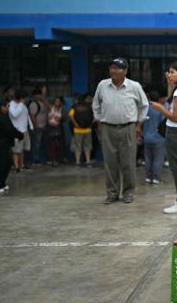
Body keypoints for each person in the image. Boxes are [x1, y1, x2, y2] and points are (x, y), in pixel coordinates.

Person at [92, 57, 149, 204]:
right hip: (107, 128)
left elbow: (144, 105)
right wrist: (98, 120)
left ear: (125, 71)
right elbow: (96, 104)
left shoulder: (134, 86)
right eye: (111, 67)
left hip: (128, 128)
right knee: (110, 163)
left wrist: (139, 124)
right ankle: (112, 193)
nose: (113, 70)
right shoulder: (103, 85)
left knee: (128, 163)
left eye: (117, 68)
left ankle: (128, 193)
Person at [150, 62, 177, 213]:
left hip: (176, 132)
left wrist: (159, 108)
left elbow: (175, 117)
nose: (169, 75)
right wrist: (169, 85)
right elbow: (172, 102)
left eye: (172, 72)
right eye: (168, 72)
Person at [0, 100, 23, 194]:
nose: (8, 109)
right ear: (1, 107)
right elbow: (10, 130)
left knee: (3, 165)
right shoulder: (1, 118)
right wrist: (20, 135)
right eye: (6, 107)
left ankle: (0, 184)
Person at [143, 91, 166, 185]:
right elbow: (163, 123)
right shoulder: (160, 109)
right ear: (159, 99)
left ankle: (148, 177)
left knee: (148, 159)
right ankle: (156, 178)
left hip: (147, 138)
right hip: (158, 138)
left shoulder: (145, 108)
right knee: (158, 159)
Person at [8, 89, 31, 173]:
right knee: (16, 150)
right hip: (17, 130)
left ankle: (21, 165)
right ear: (21, 98)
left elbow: (26, 115)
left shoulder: (23, 105)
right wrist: (21, 104)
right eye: (25, 98)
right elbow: (14, 114)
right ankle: (16, 166)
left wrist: (30, 126)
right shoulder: (11, 104)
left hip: (25, 130)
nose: (26, 99)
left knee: (22, 150)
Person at [69, 93, 94, 167]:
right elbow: (95, 116)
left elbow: (70, 115)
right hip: (87, 129)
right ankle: (88, 162)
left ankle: (77, 163)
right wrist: (91, 124)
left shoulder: (74, 106)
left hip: (77, 130)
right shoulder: (89, 106)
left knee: (78, 146)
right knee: (87, 146)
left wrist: (75, 124)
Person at [28, 87, 50, 165]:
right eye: (40, 94)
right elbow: (32, 116)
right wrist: (36, 125)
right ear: (35, 95)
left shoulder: (43, 102)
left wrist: (43, 98)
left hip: (44, 126)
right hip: (38, 127)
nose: (41, 96)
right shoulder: (34, 104)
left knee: (44, 144)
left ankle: (43, 159)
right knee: (36, 144)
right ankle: (35, 159)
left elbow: (50, 108)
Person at [46, 97, 66, 167]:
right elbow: (45, 102)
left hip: (58, 128)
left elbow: (65, 118)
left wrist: (60, 119)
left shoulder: (62, 109)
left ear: (61, 102)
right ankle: (53, 160)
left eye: (58, 101)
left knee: (59, 145)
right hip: (51, 128)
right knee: (52, 145)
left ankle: (58, 160)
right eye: (56, 101)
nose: (57, 102)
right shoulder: (51, 108)